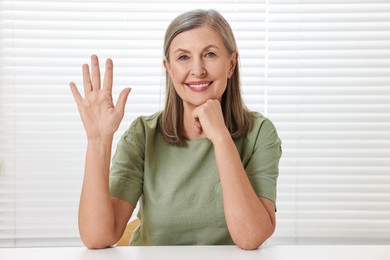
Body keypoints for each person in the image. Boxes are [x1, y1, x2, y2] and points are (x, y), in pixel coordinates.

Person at [70, 9, 282, 250]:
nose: (198, 69)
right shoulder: (143, 134)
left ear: (231, 64)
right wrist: (98, 139)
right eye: (183, 58)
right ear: (168, 68)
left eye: (210, 54)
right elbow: (98, 237)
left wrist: (221, 137)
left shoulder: (259, 133)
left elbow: (251, 237)